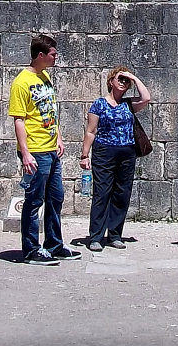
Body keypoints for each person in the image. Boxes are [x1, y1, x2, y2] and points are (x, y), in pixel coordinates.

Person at [8, 32, 80, 265]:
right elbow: (19, 119)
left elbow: (49, 111)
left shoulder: (45, 77)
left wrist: (58, 136)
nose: (56, 58)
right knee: (34, 200)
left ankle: (54, 244)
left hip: (51, 147)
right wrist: (25, 152)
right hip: (36, 150)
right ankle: (31, 249)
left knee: (55, 197)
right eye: (53, 55)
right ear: (40, 55)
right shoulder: (22, 82)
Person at [79, 66, 153, 252]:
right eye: (120, 78)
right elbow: (91, 130)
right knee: (102, 193)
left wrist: (134, 78)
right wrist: (84, 154)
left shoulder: (128, 104)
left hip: (126, 152)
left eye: (125, 81)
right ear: (111, 81)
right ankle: (96, 236)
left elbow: (146, 98)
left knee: (122, 194)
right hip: (104, 151)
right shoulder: (99, 104)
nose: (123, 82)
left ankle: (115, 234)